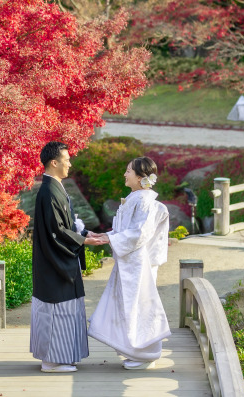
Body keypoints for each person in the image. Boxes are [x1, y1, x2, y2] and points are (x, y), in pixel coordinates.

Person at [87, 156, 171, 370]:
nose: (125, 174)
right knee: (129, 306)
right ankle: (135, 350)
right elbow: (126, 230)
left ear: (141, 177)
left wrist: (110, 239)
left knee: (139, 306)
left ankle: (145, 352)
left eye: (128, 171)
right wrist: (108, 235)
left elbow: (140, 233)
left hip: (137, 263)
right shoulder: (136, 197)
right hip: (130, 261)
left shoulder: (144, 200)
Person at [30, 141, 106, 373]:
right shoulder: (48, 191)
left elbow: (67, 224)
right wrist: (82, 240)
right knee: (57, 309)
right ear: (54, 162)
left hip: (58, 259)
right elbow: (57, 230)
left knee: (64, 309)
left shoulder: (54, 188)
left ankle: (60, 358)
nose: (70, 164)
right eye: (67, 160)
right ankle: (52, 361)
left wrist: (84, 233)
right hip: (54, 261)